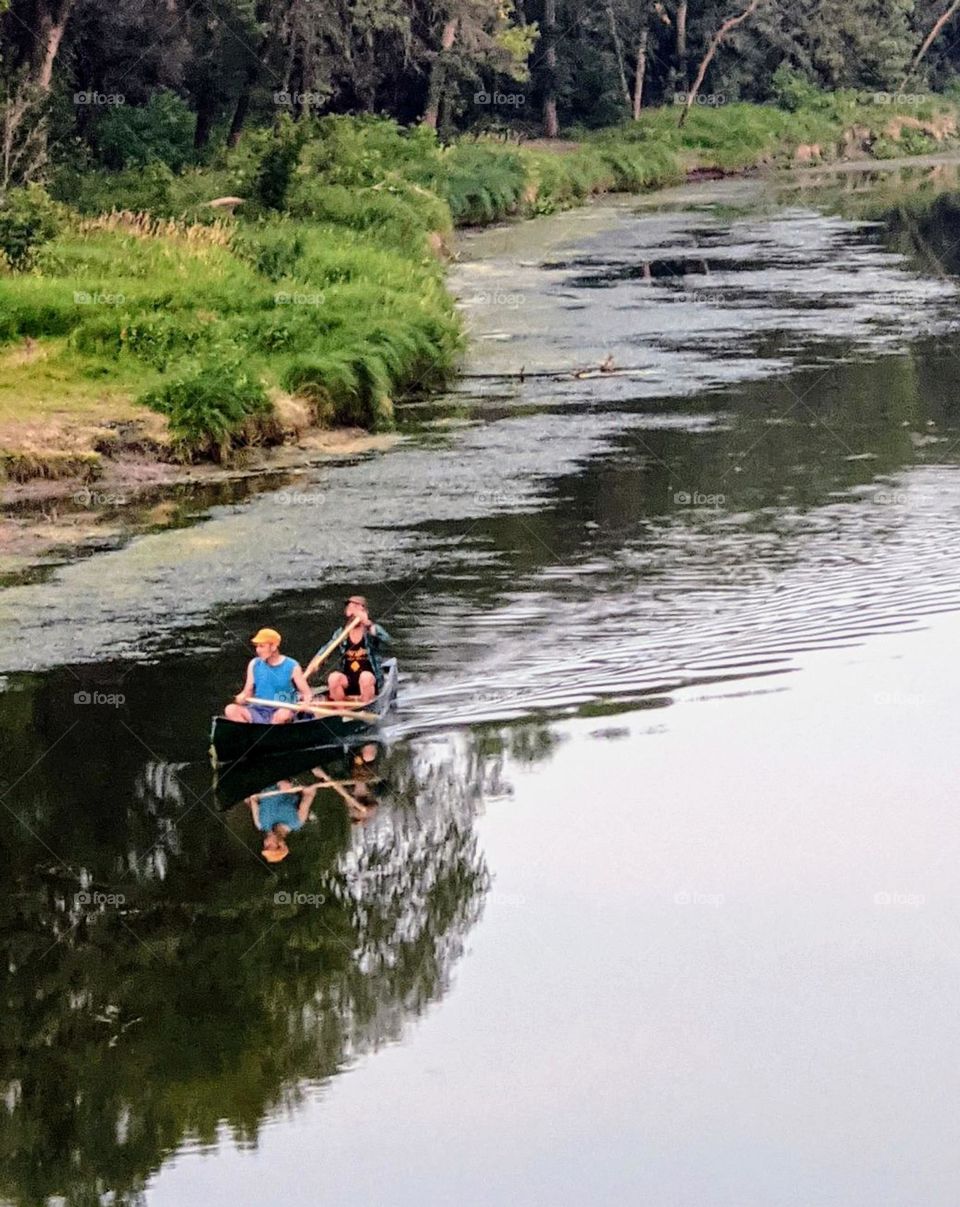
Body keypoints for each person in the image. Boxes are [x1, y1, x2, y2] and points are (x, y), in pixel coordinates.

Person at [305, 596, 391, 705]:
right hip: (349, 681)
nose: (352, 610)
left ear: (364, 611)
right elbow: (324, 651)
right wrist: (311, 668)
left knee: (365, 677)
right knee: (334, 678)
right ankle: (341, 712)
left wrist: (368, 624)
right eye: (350, 607)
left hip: (370, 682)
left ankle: (366, 707)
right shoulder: (341, 633)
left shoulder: (372, 630)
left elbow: (387, 641)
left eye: (356, 607)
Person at [225, 627, 312, 724]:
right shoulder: (254, 664)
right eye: (257, 646)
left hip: (283, 709)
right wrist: (241, 698)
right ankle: (249, 732)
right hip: (258, 709)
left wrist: (305, 704)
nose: (258, 650)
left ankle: (268, 733)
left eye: (262, 646)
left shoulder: (292, 666)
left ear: (274, 647)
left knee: (283, 715)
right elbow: (247, 692)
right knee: (230, 709)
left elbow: (307, 693)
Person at [247, 780, 318, 863]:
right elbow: (310, 793)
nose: (265, 842)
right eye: (268, 846)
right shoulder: (297, 821)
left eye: (264, 846)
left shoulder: (260, 824)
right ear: (280, 844)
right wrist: (292, 785)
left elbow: (253, 798)